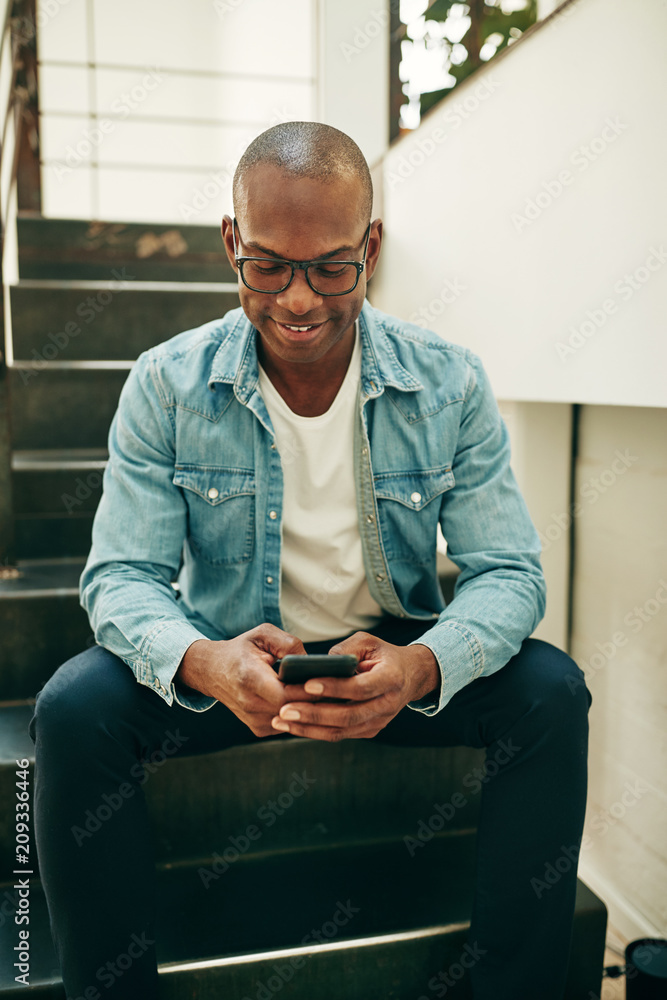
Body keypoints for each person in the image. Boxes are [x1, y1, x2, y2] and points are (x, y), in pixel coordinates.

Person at [29, 121, 591, 1000]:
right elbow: (120, 578)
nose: (297, 300)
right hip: (232, 664)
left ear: (369, 248)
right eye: (268, 266)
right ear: (231, 245)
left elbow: (510, 571)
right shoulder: (167, 383)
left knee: (551, 695)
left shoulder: (448, 381)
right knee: (71, 709)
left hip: (385, 665)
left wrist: (420, 665)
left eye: (331, 267)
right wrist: (205, 661)